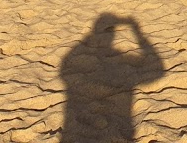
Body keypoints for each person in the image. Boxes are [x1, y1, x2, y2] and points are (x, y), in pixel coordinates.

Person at [60, 13, 165, 143]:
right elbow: (158, 71)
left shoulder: (75, 51)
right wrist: (137, 32)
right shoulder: (78, 52)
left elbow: (64, 71)